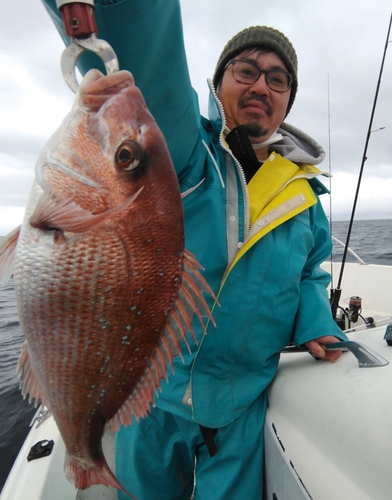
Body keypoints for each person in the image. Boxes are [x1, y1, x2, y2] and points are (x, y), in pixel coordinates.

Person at [42, 1, 348, 498]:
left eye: (277, 79)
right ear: (217, 83)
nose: (260, 86)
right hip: (153, 402)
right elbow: (143, 61)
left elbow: (311, 270)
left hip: (242, 406)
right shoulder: (181, 147)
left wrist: (315, 321)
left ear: (288, 101)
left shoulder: (305, 197)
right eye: (246, 70)